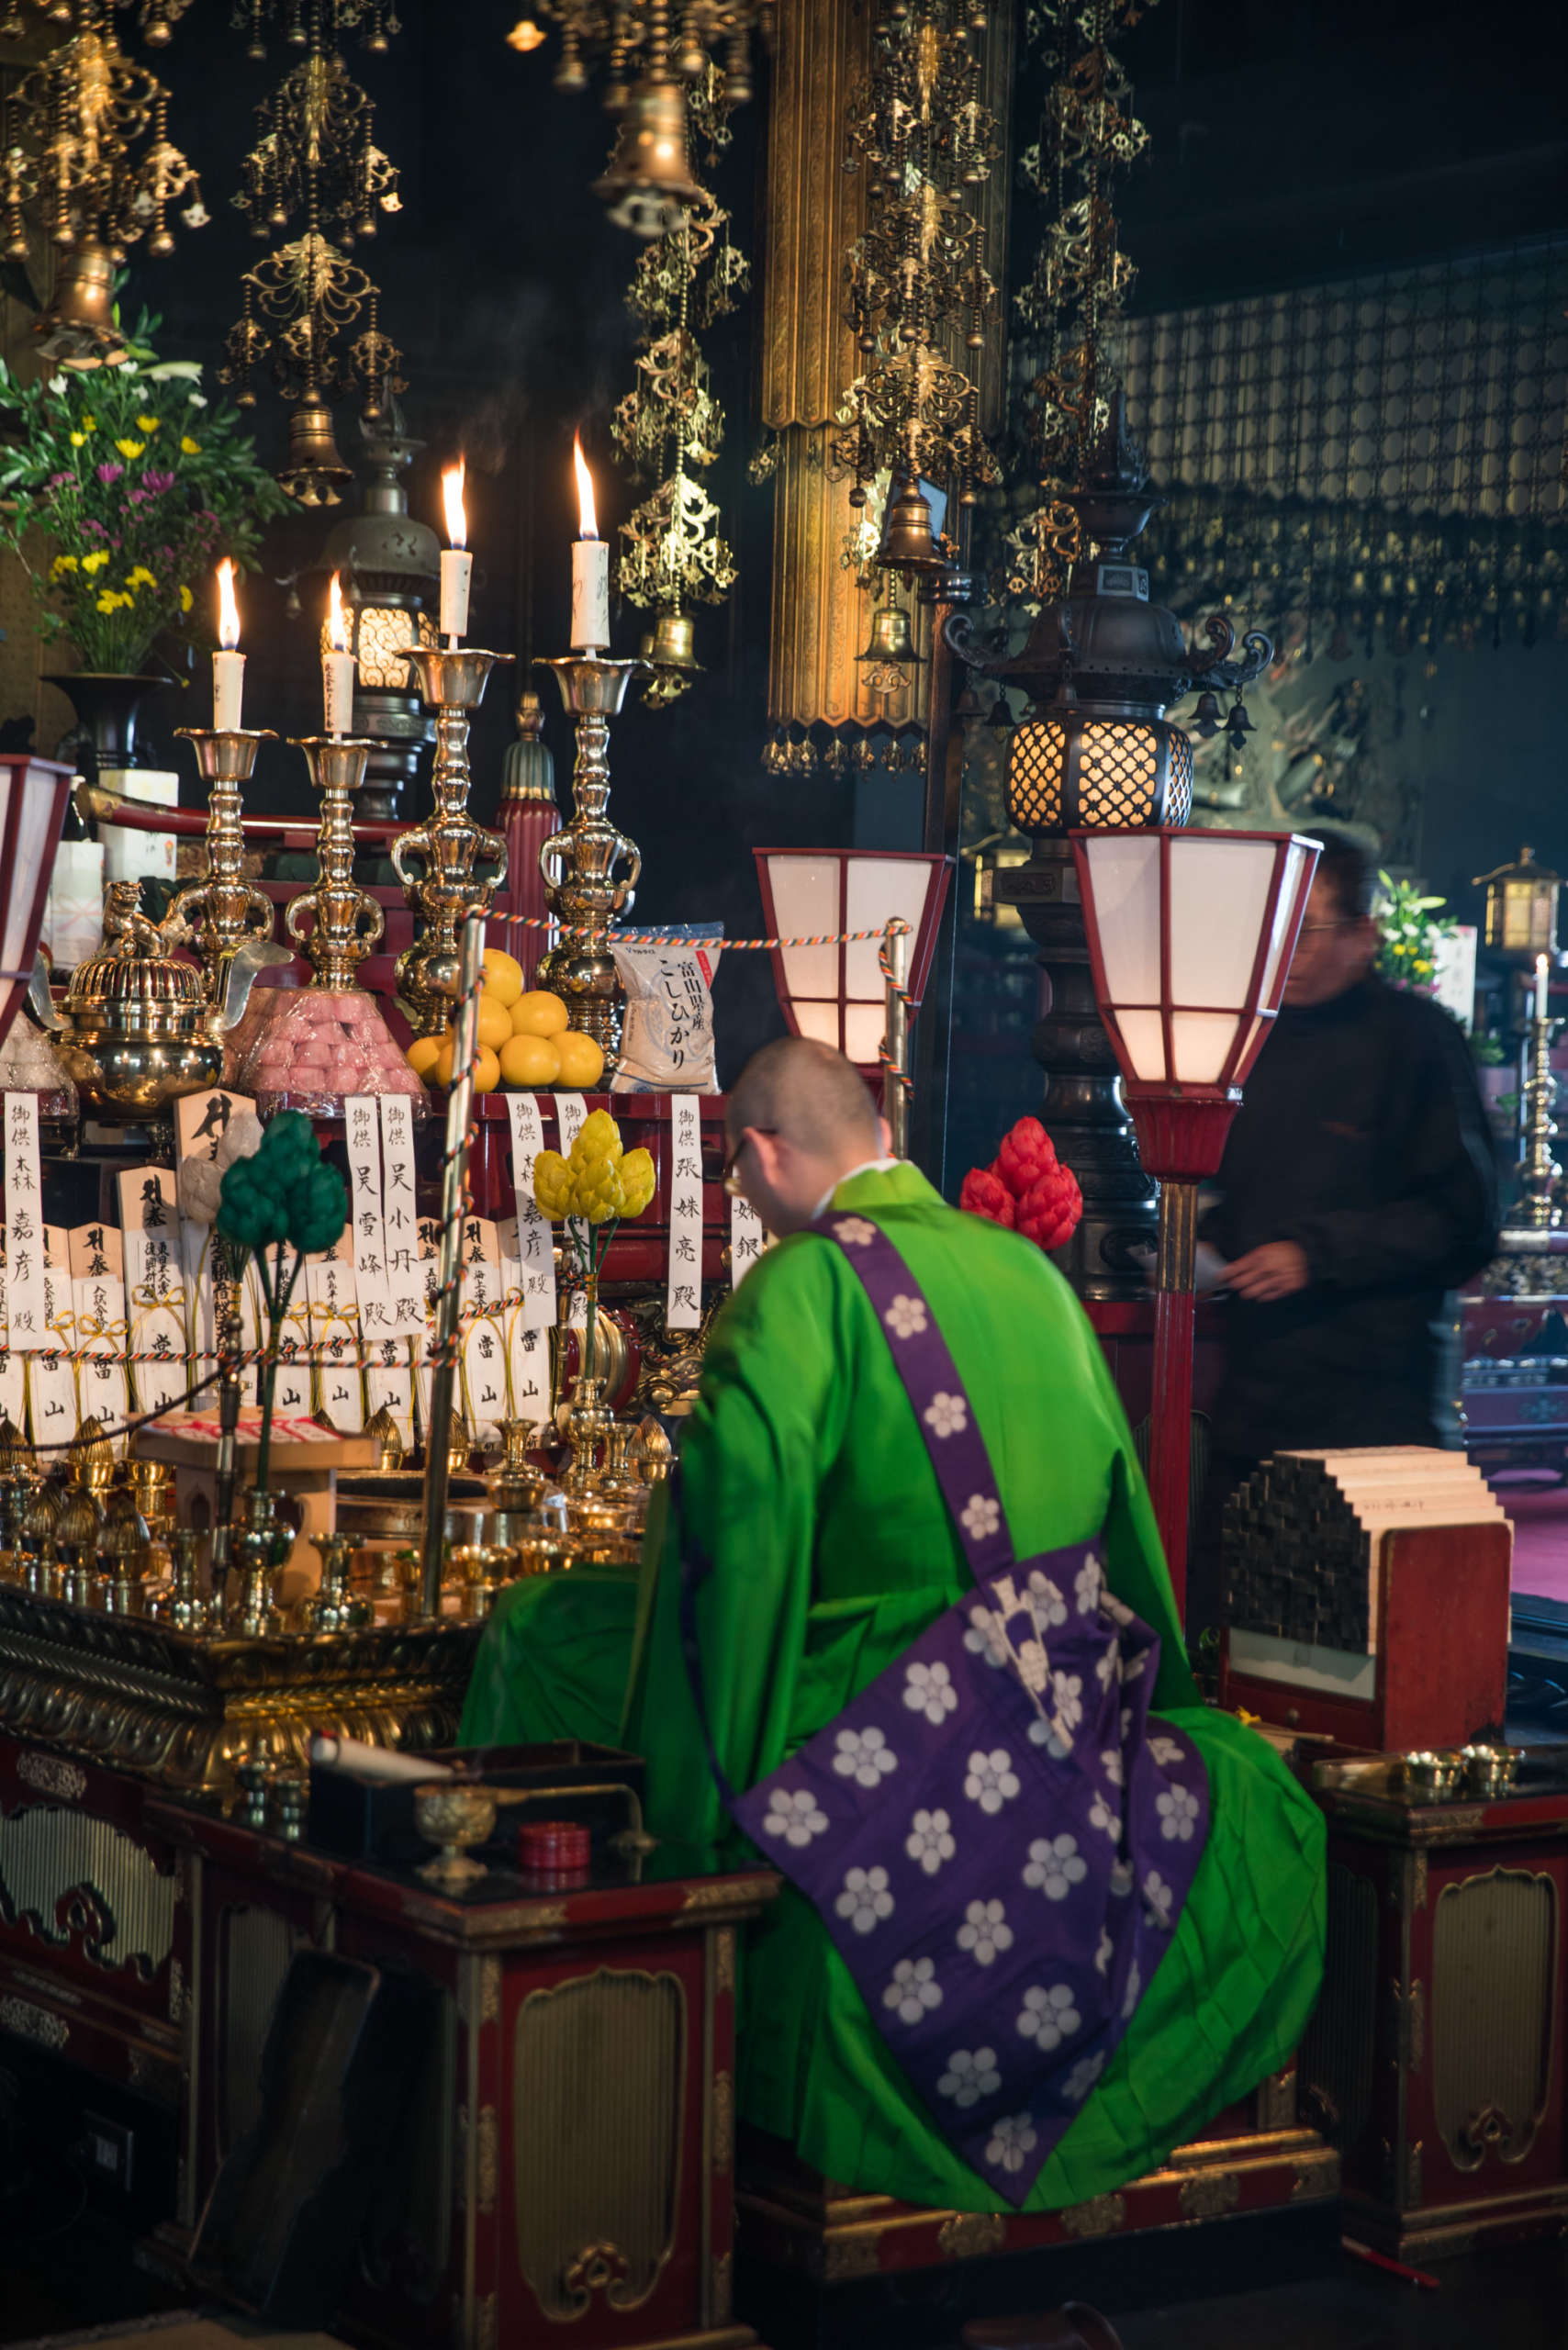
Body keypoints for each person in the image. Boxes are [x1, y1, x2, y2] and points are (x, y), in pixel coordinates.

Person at [462, 1037, 1326, 2215]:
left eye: (739, 1180)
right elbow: (1128, 1522)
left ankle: (571, 2035)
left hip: (884, 1693)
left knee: (538, 1627)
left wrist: (708, 1805)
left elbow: (741, 1546)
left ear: (760, 1153)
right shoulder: (1034, 1278)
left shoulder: (805, 1285)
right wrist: (1155, 1707)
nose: (749, 1206)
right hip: (1068, 1687)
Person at [1192, 832, 1500, 1630]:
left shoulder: (1418, 1040)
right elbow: (1240, 1188)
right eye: (1274, 931)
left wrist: (1315, 1255)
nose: (1286, 954)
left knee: (1359, 1648)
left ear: (1364, 936)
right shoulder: (1246, 1039)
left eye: (1309, 930)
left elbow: (1465, 1223)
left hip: (1375, 1408)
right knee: (1237, 1641)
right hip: (1256, 1401)